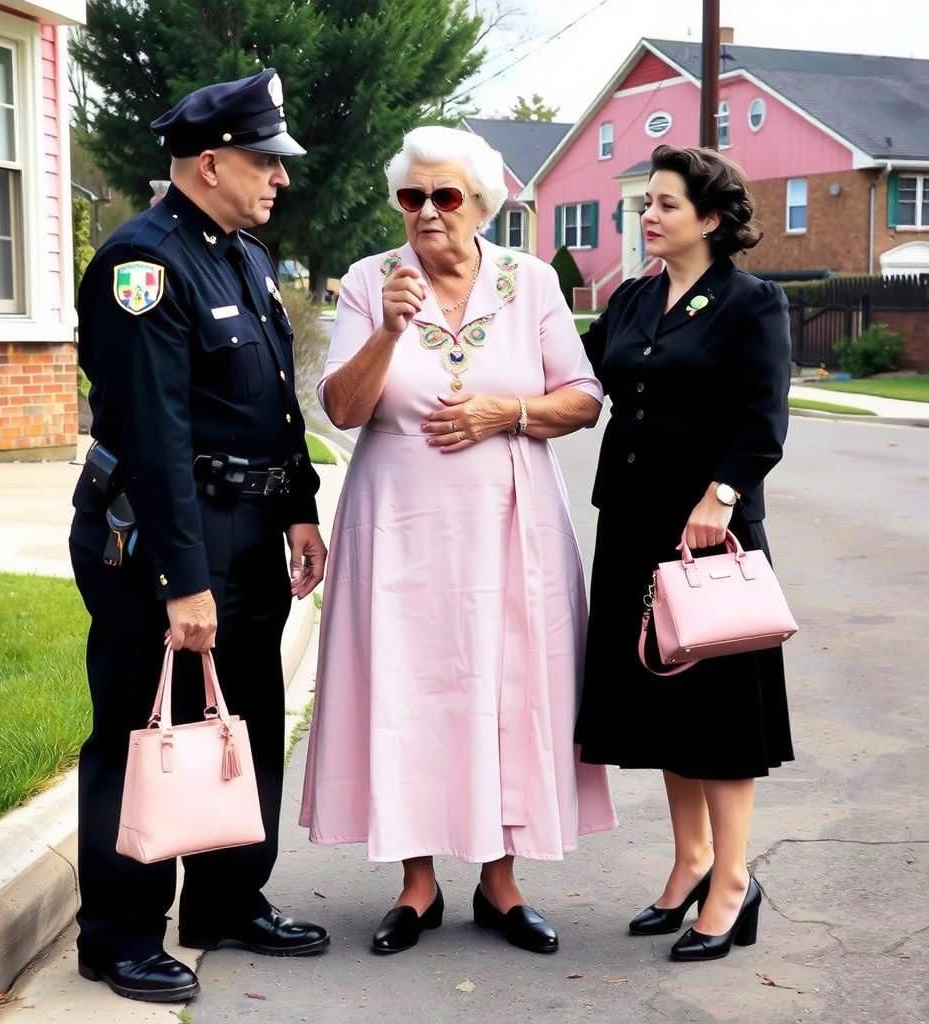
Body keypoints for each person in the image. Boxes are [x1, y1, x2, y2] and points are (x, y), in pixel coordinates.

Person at [299, 125, 616, 957]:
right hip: (398, 526)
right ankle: (416, 885)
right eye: (413, 197)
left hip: (509, 527)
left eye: (445, 197)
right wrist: (387, 332)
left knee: (509, 688)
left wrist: (504, 413)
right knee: (404, 690)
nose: (428, 213)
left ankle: (502, 883)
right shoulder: (372, 282)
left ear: (481, 203)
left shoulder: (532, 281)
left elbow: (582, 399)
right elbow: (344, 408)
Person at [70, 69, 330, 1003]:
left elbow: (273, 406)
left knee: (241, 724)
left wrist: (299, 504)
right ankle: (120, 933)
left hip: (253, 528)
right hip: (165, 537)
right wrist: (184, 580)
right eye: (267, 160)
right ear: (211, 161)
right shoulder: (144, 264)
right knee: (146, 732)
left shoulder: (246, 255)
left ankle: (226, 902)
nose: (282, 178)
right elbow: (153, 434)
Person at [575, 144, 793, 962]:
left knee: (719, 715)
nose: (650, 216)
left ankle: (734, 879)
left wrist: (722, 495)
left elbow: (763, 415)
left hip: (709, 536)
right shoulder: (632, 300)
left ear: (709, 219)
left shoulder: (750, 302)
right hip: (632, 527)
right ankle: (690, 861)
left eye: (665, 204)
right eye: (647, 205)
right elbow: (580, 376)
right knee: (665, 708)